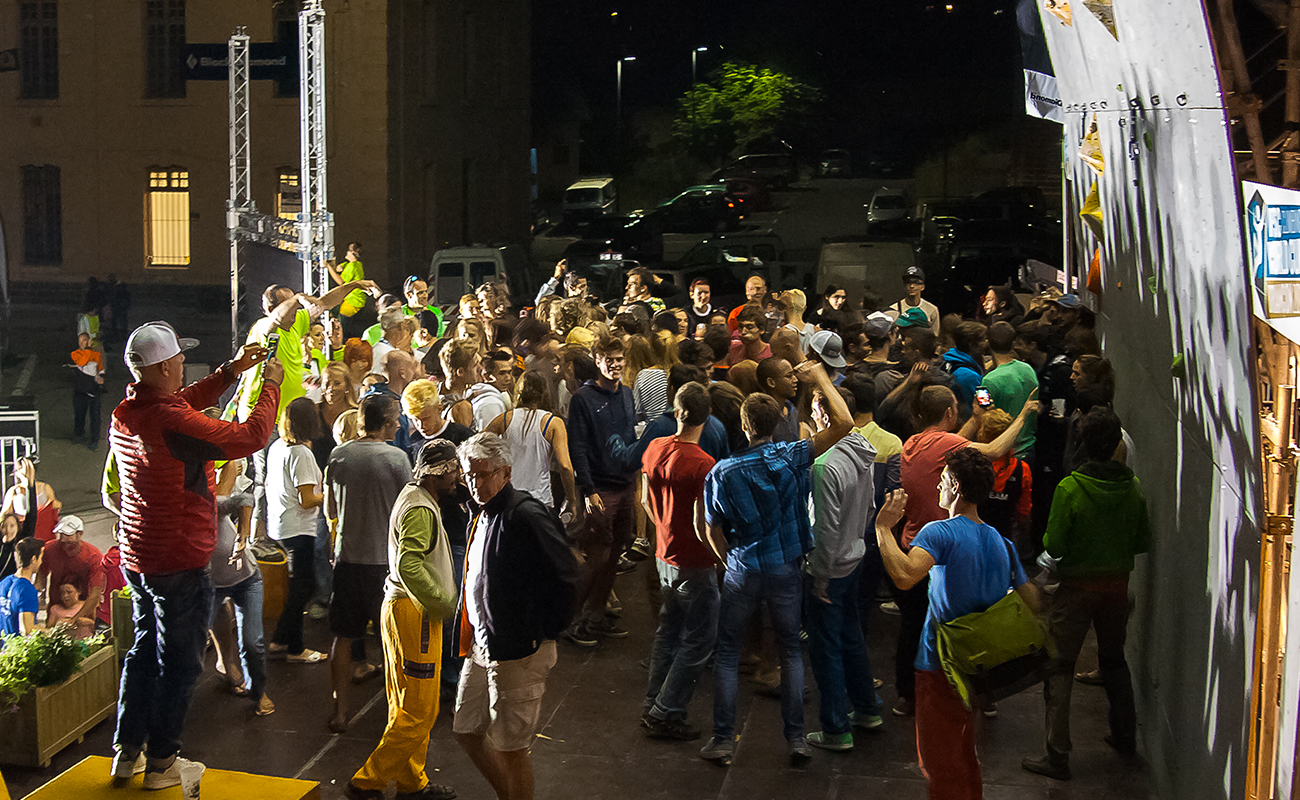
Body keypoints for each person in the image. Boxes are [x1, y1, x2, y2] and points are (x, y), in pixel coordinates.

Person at [110, 321, 279, 787]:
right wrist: (270, 386)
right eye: (180, 359)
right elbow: (249, 437)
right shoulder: (170, 420)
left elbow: (178, 403)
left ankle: (128, 753)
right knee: (182, 662)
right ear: (164, 365)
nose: (185, 363)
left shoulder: (129, 409)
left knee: (144, 651)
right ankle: (162, 761)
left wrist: (229, 373)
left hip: (138, 554)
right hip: (179, 558)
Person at [699, 361, 855, 767]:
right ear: (776, 422)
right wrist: (820, 378)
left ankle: (721, 740)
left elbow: (711, 529)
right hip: (786, 567)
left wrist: (727, 559)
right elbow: (844, 422)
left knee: (730, 654)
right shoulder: (792, 455)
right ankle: (797, 739)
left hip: (743, 569)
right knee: (790, 653)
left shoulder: (722, 471)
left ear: (744, 424)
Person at [874, 448, 1036, 799]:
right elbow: (1034, 600)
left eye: (943, 481)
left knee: (939, 762)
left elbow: (903, 576)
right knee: (963, 752)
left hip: (939, 664)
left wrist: (883, 528)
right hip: (978, 664)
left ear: (957, 488)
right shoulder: (1001, 542)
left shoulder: (939, 533)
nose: (938, 489)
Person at [891, 383, 1037, 719]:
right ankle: (973, 690)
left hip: (911, 542)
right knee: (967, 624)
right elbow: (996, 448)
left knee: (913, 624)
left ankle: (908, 694)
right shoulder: (989, 540)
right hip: (942, 550)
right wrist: (1024, 416)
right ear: (947, 413)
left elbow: (955, 440)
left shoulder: (914, 442)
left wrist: (974, 415)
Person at [1023, 408, 1149, 780]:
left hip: (1076, 591)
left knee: (1060, 666)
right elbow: (1142, 540)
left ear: (1082, 444)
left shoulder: (1071, 488)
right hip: (1116, 588)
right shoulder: (1133, 488)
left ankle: (1057, 754)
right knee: (1114, 661)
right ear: (1116, 446)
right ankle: (1125, 736)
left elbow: (1055, 543)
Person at [453, 432, 581, 800]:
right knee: (465, 730)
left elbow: (567, 575)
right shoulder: (480, 514)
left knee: (511, 749)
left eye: (484, 474)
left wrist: (540, 633)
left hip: (517, 651)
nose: (476, 483)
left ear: (505, 473)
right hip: (483, 645)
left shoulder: (524, 515)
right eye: (470, 475)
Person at [345, 442, 461, 800]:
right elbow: (410, 565)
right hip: (417, 615)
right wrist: (441, 601)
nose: (458, 477)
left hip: (400, 610)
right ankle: (367, 781)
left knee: (404, 702)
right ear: (436, 473)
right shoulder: (421, 511)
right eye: (453, 471)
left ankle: (412, 781)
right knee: (420, 710)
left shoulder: (413, 497)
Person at [325, 392, 414, 732]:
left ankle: (340, 710)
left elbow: (331, 510)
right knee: (390, 640)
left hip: (348, 558)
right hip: (384, 563)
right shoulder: (396, 459)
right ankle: (397, 711)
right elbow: (408, 508)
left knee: (343, 636)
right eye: (396, 418)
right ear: (387, 422)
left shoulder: (338, 455)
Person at [803, 386, 885, 751]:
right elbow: (869, 507)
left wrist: (819, 576)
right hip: (855, 557)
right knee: (852, 636)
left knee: (826, 648)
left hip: (831, 569)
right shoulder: (862, 452)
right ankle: (867, 708)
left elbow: (824, 528)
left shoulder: (823, 466)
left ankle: (836, 727)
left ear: (825, 416)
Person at [639, 383, 720, 741]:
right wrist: (723, 557)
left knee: (667, 631)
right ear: (707, 416)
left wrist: (663, 528)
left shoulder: (655, 447)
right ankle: (666, 710)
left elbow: (644, 500)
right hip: (694, 561)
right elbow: (706, 523)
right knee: (699, 640)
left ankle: (654, 701)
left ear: (675, 410)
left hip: (663, 554)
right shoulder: (704, 464)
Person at [565, 336, 638, 645]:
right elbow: (577, 447)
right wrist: (588, 489)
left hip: (624, 484)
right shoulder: (583, 399)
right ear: (597, 361)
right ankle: (570, 619)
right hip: (600, 488)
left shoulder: (628, 394)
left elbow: (630, 437)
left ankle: (595, 616)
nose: (615, 364)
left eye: (619, 358)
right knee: (597, 555)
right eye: (609, 359)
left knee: (614, 555)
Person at [209, 456, 274, 716]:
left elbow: (245, 500)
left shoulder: (210, 506)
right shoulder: (178, 519)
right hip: (211, 585)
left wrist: (243, 534)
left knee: (252, 642)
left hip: (246, 579)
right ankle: (227, 665)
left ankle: (259, 692)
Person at [266, 397, 327, 664]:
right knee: (304, 587)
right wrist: (329, 495)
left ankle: (280, 639)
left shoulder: (278, 447)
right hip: (299, 528)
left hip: (280, 524)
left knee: (299, 586)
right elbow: (306, 498)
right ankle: (295, 648)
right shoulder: (301, 454)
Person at [486, 371, 577, 515]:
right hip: (540, 500)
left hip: (509, 498)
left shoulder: (504, 420)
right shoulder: (553, 423)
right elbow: (565, 466)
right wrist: (572, 500)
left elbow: (477, 445)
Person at [36, 515, 104, 632]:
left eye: (69, 538)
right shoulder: (50, 549)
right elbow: (41, 575)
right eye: (61, 538)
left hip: (84, 605)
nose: (65, 543)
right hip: (56, 603)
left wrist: (76, 618)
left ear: (80, 534)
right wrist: (37, 595)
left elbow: (95, 592)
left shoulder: (92, 556)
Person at [981, 322, 1039, 460]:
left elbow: (981, 414)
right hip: (1029, 449)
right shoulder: (1028, 369)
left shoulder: (988, 381)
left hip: (1004, 453)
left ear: (988, 343)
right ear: (1013, 343)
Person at [1, 459, 60, 543]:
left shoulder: (45, 487)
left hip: (43, 530)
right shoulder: (14, 490)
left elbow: (56, 505)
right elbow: (5, 513)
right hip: (25, 531)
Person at [0, 460, 38, 580]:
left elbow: (31, 516)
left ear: (18, 527)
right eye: (4, 526)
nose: (8, 530)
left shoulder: (20, 544)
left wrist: (30, 485)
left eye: (12, 526)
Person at [69, 331, 106, 449]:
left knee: (95, 416)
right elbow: (82, 362)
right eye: (80, 341)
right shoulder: (75, 354)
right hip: (80, 390)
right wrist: (89, 350)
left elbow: (100, 370)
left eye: (84, 340)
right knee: (79, 414)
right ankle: (79, 434)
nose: (81, 343)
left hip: (93, 389)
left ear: (89, 341)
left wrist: (101, 379)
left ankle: (94, 440)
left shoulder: (97, 355)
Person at [0, 538, 44, 636]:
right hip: (18, 648)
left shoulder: (4, 583)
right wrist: (51, 632)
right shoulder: (27, 590)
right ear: (33, 559)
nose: (41, 562)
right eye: (41, 558)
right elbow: (27, 629)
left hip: (4, 648)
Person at [328, 241, 372, 340]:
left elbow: (340, 281)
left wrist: (328, 266)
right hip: (353, 300)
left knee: (341, 324)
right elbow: (338, 268)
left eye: (348, 251)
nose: (346, 253)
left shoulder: (352, 267)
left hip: (352, 301)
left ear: (352, 253)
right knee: (333, 310)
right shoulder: (354, 264)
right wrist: (333, 264)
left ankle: (341, 341)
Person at [941, 321, 988, 412]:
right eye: (984, 339)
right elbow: (980, 407)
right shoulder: (968, 376)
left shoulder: (949, 359)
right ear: (971, 345)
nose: (987, 342)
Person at [755, 356, 804, 443]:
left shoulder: (792, 409)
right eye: (789, 376)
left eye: (794, 374)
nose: (795, 380)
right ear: (771, 382)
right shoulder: (762, 417)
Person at [887, 267, 940, 336]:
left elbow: (935, 336)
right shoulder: (894, 309)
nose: (911, 286)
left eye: (916, 282)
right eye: (908, 282)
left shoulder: (932, 310)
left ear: (922, 287)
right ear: (904, 286)